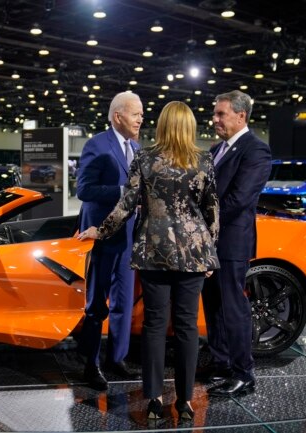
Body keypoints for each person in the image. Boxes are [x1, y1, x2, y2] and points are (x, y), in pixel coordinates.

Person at [78, 101, 219, 420]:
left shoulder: (145, 157)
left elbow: (126, 205)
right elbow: (212, 210)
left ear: (164, 125)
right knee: (185, 327)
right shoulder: (203, 159)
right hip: (194, 254)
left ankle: (154, 398)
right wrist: (211, 253)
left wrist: (100, 231)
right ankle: (184, 401)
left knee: (155, 325)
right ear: (190, 126)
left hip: (154, 252)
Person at [198, 90, 272, 397]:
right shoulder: (217, 149)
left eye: (220, 114)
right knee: (213, 307)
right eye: (215, 113)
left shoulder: (256, 150)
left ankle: (244, 373)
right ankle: (222, 364)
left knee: (234, 308)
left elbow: (239, 200)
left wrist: (201, 222)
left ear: (241, 116)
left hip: (231, 243)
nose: (214, 119)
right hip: (210, 243)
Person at [75, 91, 143, 391]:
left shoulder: (138, 148)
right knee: (96, 303)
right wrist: (123, 192)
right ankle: (91, 364)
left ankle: (117, 357)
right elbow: (84, 190)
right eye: (136, 113)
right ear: (118, 116)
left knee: (124, 301)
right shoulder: (96, 145)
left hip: (128, 237)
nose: (141, 118)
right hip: (100, 236)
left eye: (141, 114)